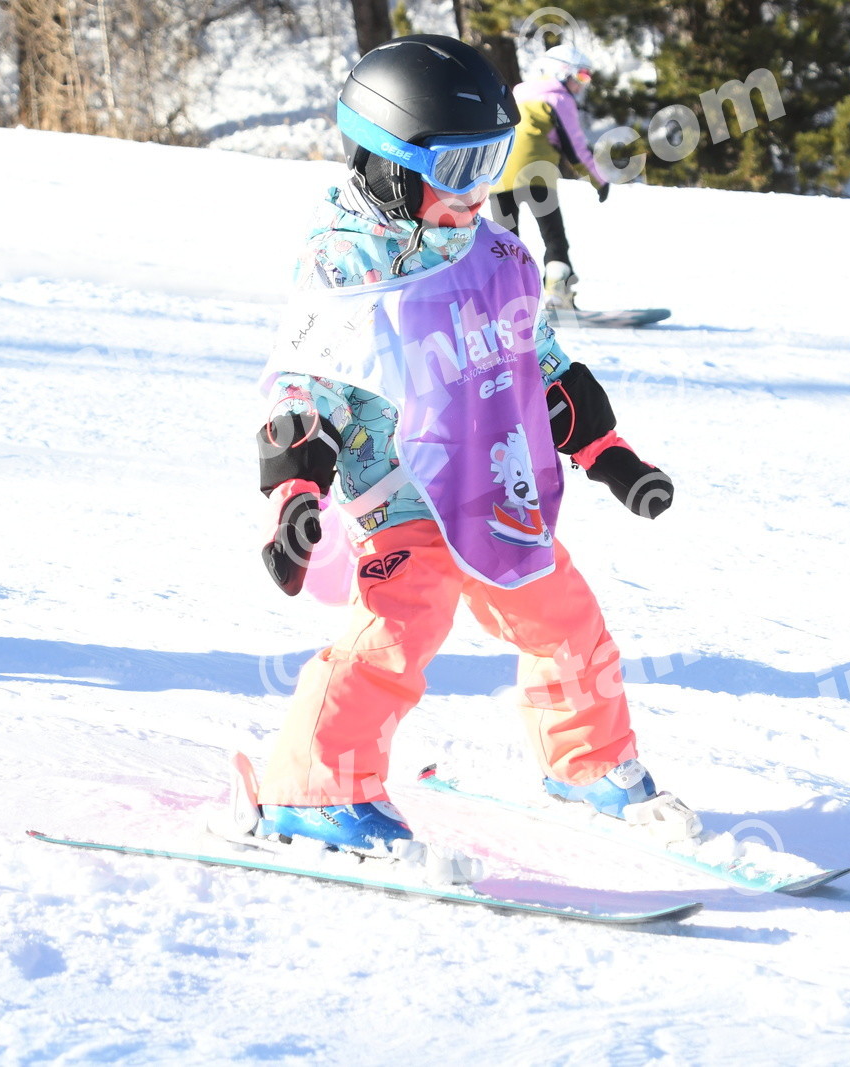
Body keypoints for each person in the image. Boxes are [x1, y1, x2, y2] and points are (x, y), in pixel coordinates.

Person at [252, 35, 694, 857]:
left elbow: (541, 363)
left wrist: (608, 454)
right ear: (389, 165)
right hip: (402, 495)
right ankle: (313, 789)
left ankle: (586, 762)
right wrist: (295, 499)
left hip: (495, 489)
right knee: (394, 637)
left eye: (489, 163)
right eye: (457, 169)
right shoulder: (349, 266)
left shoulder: (494, 255)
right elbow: (307, 390)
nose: (476, 191)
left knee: (567, 621)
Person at [492, 44, 610, 311]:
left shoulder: (518, 93)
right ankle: (557, 297)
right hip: (536, 176)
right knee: (554, 238)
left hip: (499, 176)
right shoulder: (559, 99)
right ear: (562, 72)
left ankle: (504, 301)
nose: (582, 84)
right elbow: (575, 148)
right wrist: (598, 180)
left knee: (505, 242)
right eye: (581, 76)